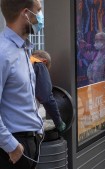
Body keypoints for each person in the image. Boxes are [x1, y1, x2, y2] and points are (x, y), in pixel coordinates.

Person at [0, 0, 44, 168]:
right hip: (13, 149)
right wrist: (11, 145)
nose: (40, 17)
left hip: (28, 143)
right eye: (38, 11)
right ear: (26, 13)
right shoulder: (3, 53)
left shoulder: (21, 48)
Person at [30, 50, 66, 132]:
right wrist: (58, 122)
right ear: (44, 61)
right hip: (24, 122)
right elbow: (46, 97)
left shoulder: (22, 61)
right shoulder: (39, 64)